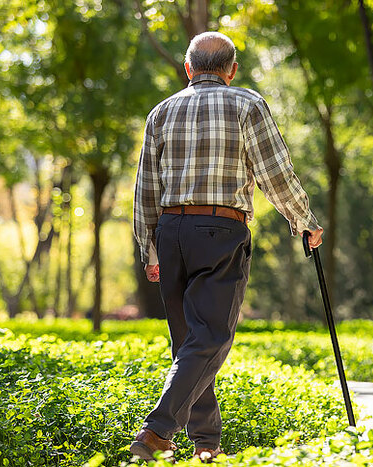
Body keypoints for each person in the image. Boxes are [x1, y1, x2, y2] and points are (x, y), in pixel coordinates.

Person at [130, 31, 323, 462]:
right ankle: (156, 432)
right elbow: (276, 173)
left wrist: (150, 248)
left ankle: (205, 442)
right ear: (231, 70)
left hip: (171, 231)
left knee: (190, 344)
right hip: (220, 229)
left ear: (188, 68)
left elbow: (146, 187)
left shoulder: (160, 112)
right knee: (212, 337)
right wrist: (304, 221)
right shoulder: (246, 104)